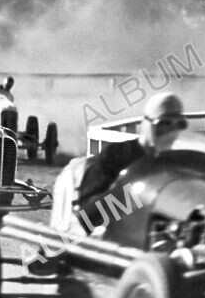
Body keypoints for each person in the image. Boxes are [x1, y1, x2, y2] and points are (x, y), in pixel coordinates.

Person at [75, 91, 188, 231]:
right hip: (119, 237)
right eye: (164, 123)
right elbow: (88, 217)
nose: (171, 130)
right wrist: (139, 194)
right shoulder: (115, 155)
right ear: (146, 123)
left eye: (180, 124)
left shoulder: (181, 162)